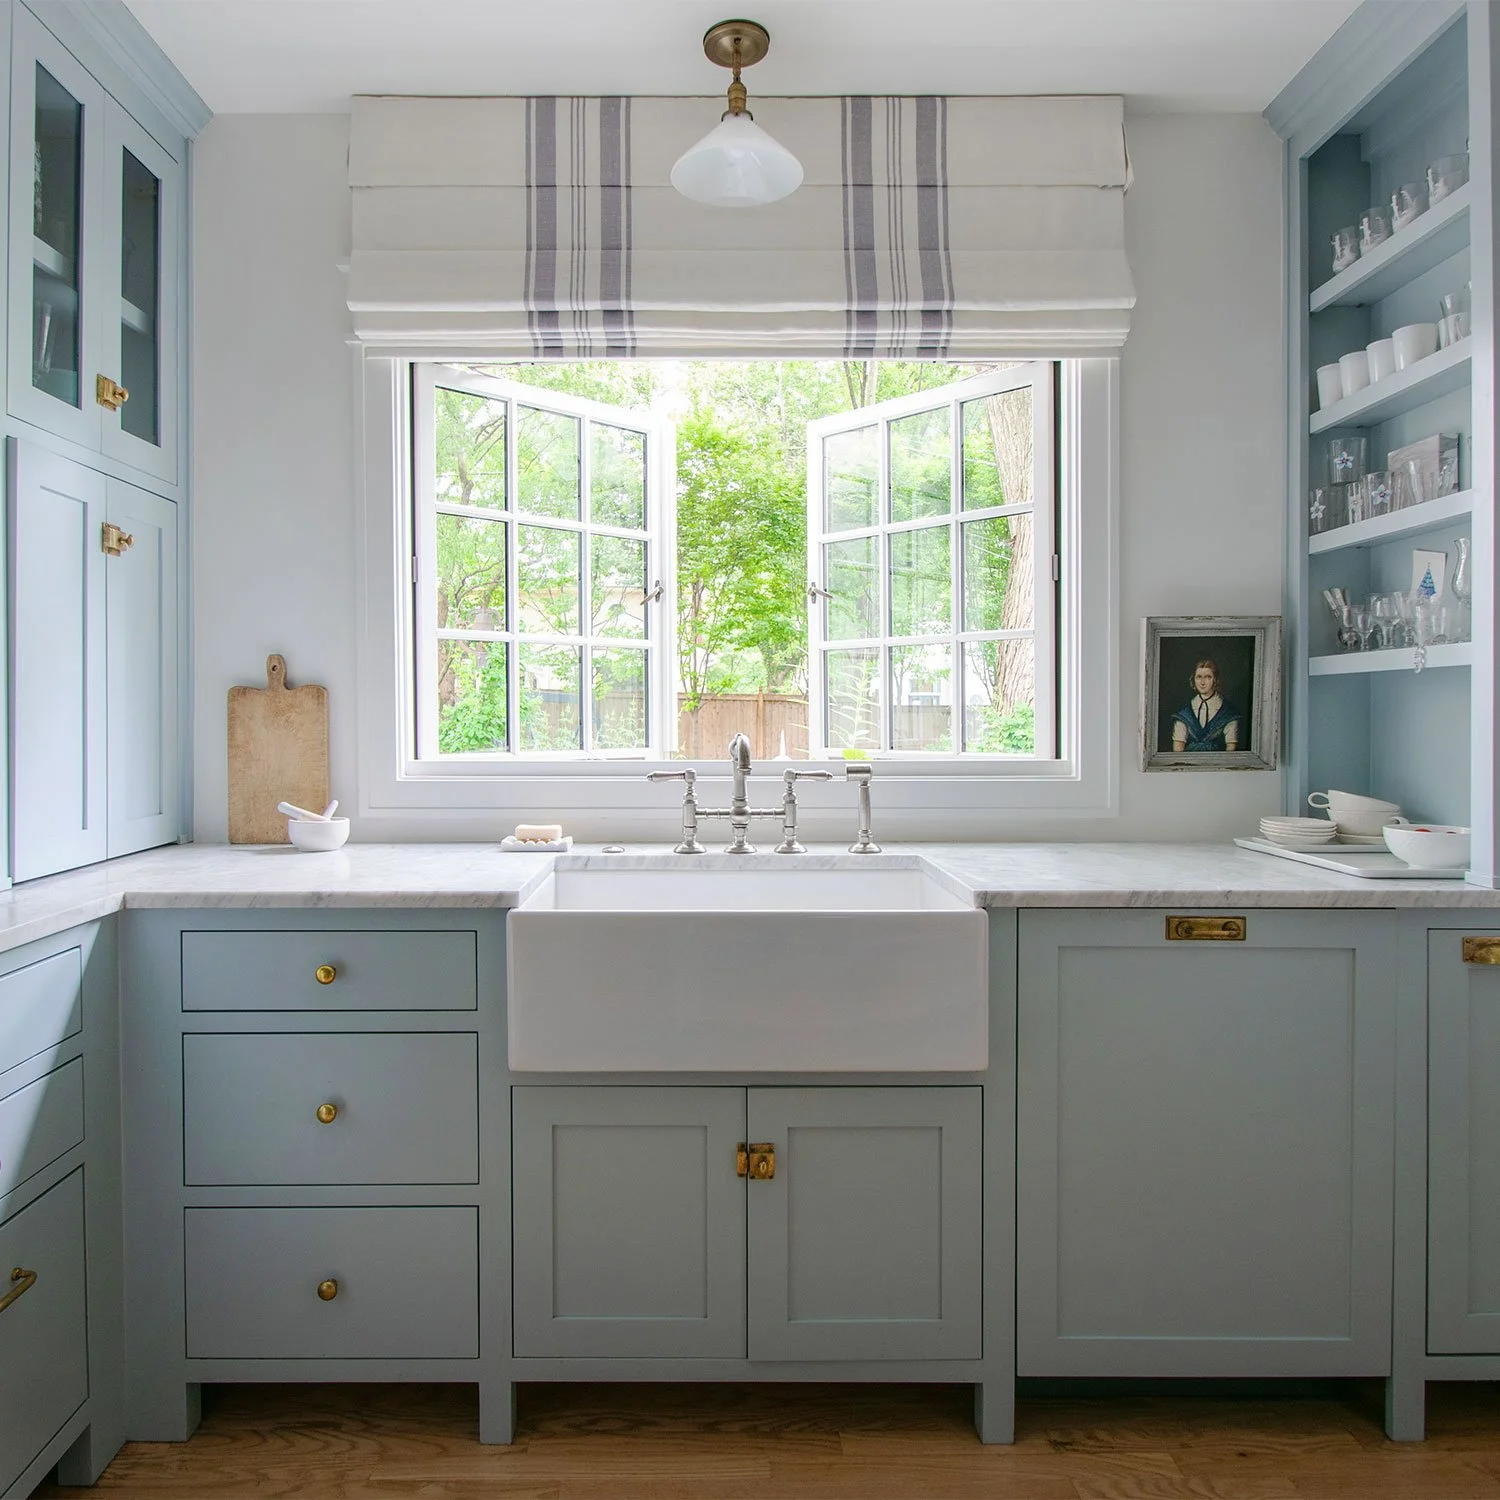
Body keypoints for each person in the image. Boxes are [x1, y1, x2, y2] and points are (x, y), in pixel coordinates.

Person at [1170, 658, 1241, 752]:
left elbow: (1231, 748)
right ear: (1193, 679)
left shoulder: (1228, 712)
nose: (1202, 682)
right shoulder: (1185, 712)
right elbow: (1178, 747)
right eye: (1199, 677)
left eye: (1208, 677)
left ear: (1215, 680)